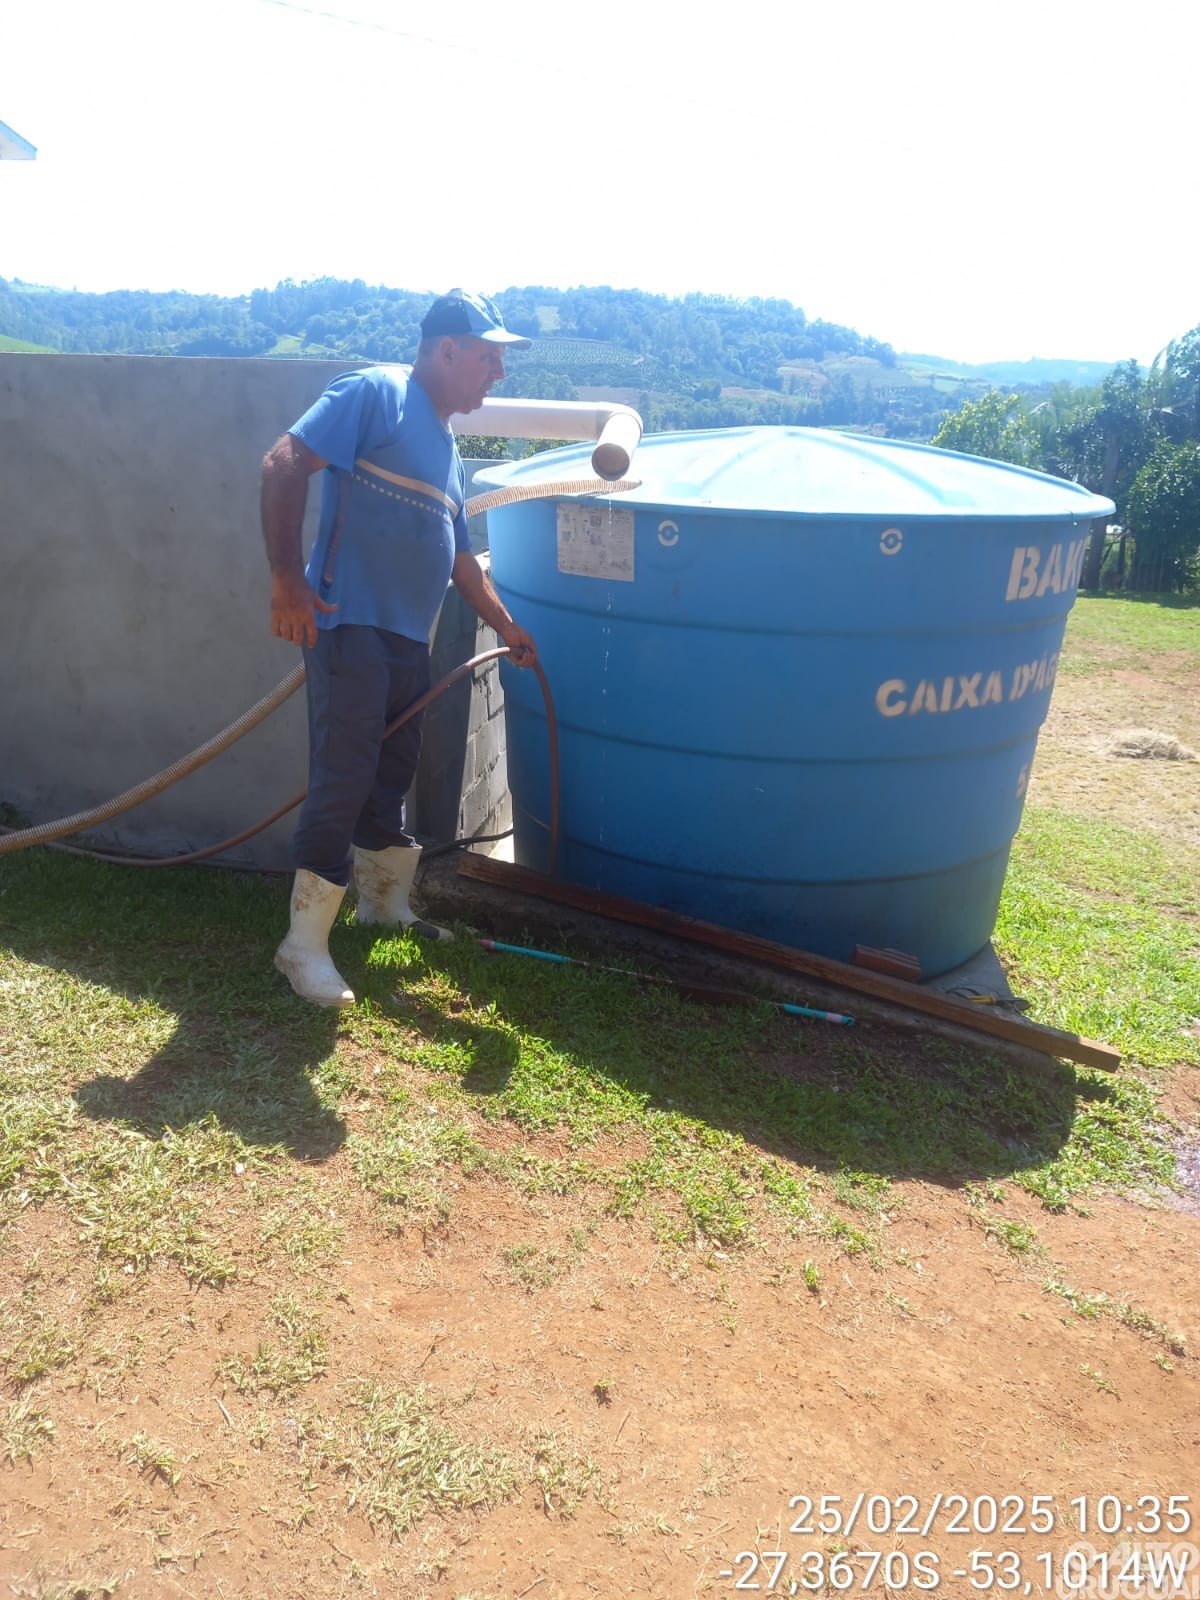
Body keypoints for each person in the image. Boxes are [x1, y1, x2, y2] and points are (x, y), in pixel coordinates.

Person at [260, 289, 538, 1008]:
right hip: (348, 625)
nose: (497, 374)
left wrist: (507, 627)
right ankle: (303, 947)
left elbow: (462, 562)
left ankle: (383, 907)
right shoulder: (378, 392)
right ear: (447, 349)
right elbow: (284, 462)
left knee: (390, 775)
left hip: (408, 641)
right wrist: (288, 581)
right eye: (488, 358)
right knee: (344, 775)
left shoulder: (448, 450)